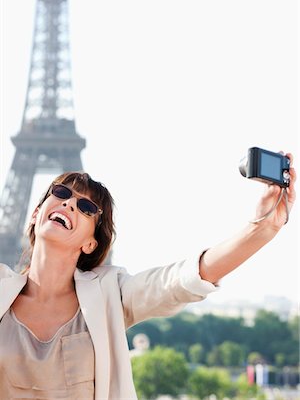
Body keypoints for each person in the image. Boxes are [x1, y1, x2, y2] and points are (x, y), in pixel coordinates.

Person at [0, 156, 296, 400]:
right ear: (36, 213)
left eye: (86, 207)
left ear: (91, 243)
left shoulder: (108, 296)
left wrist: (262, 228)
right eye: (62, 193)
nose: (69, 204)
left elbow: (180, 281)